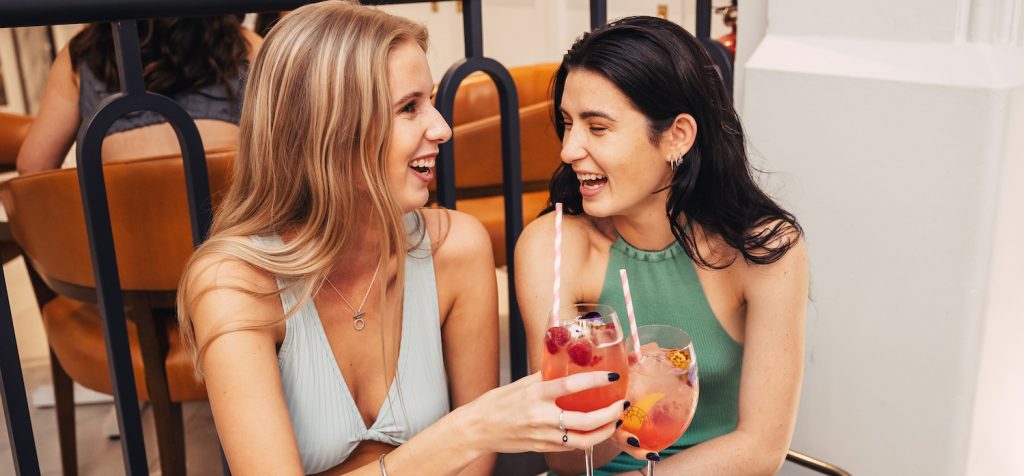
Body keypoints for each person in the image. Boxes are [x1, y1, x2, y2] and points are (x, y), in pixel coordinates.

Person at [176, 2, 624, 475]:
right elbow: (469, 442)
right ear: (330, 130)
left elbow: (473, 469)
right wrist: (467, 430)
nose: (443, 128)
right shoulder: (234, 283)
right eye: (409, 108)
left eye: (430, 100)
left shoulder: (456, 248)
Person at [515, 16, 808, 475]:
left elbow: (759, 449)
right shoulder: (551, 247)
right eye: (568, 124)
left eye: (597, 127)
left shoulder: (764, 250)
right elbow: (566, 459)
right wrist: (621, 400)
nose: (568, 150)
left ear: (677, 136)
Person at [15, 16, 261, 174]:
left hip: (120, 241)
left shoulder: (81, 55)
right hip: (227, 238)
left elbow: (33, 165)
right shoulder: (246, 46)